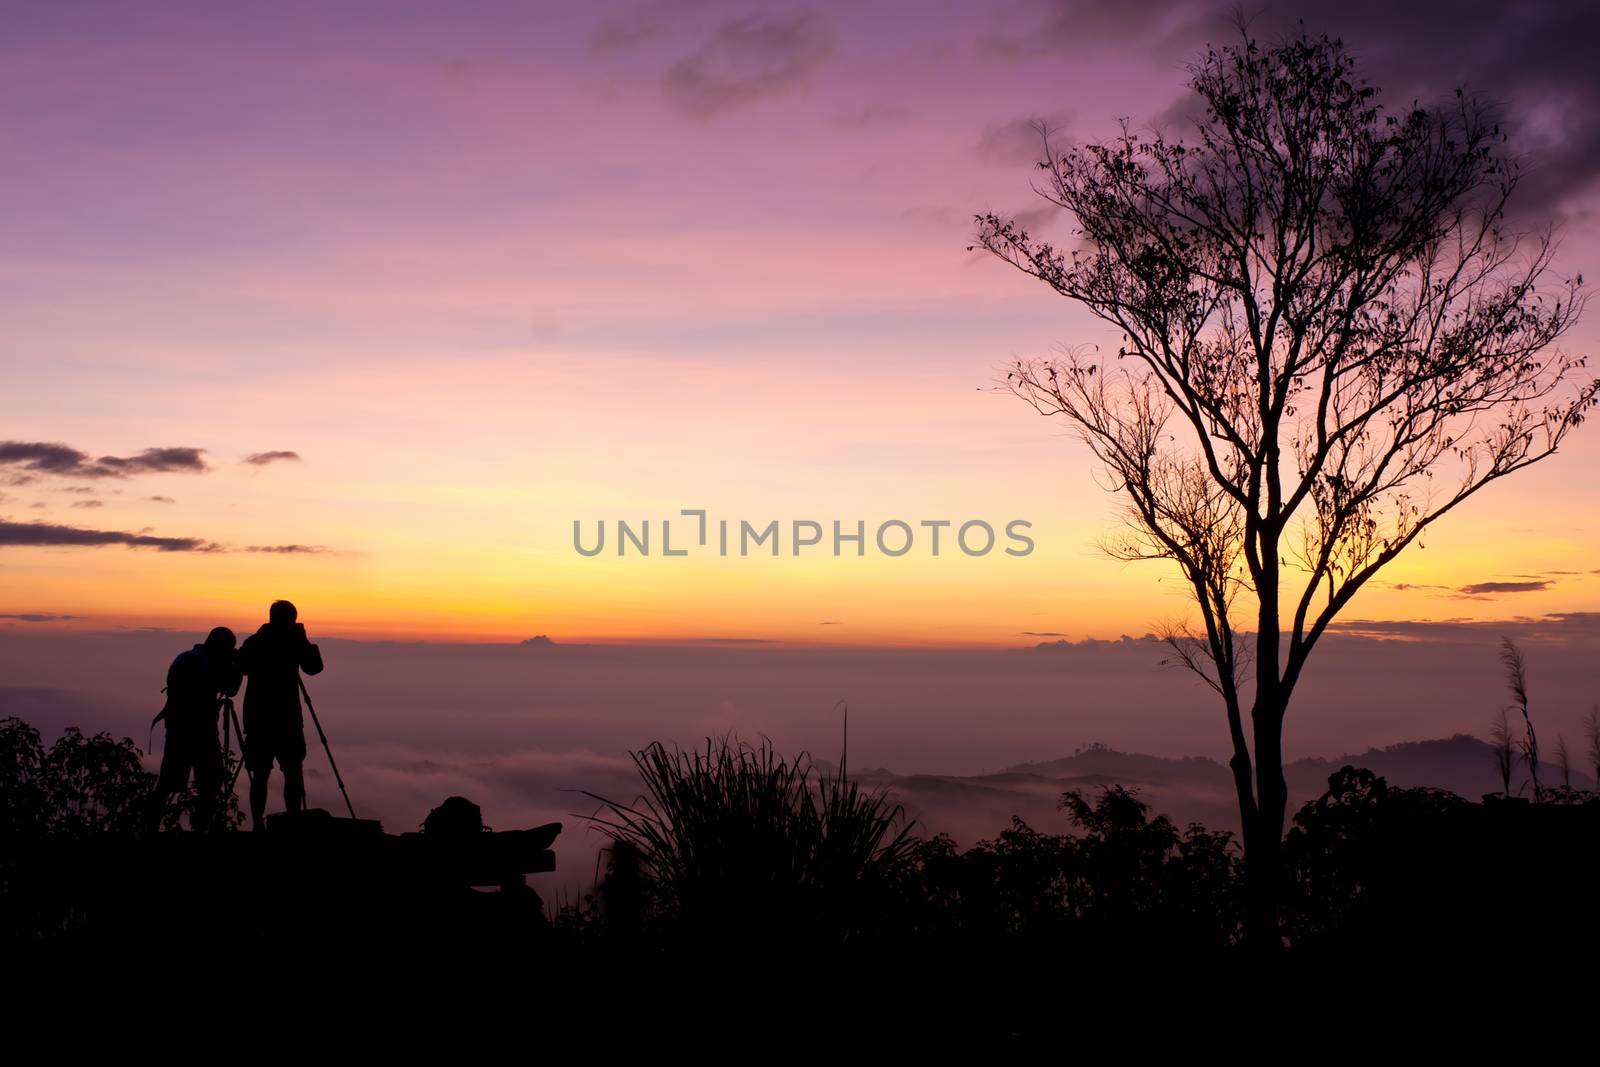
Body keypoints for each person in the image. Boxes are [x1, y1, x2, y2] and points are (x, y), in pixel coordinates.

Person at [239, 600, 323, 830]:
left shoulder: (255, 642)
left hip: (258, 718)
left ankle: (257, 825)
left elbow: (242, 667)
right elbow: (314, 667)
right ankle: (293, 821)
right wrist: (302, 639)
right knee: (293, 771)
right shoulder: (293, 641)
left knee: (260, 775)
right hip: (287, 718)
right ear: (292, 619)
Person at [152, 626, 242, 831]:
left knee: (166, 785)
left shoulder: (183, 658)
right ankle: (201, 827)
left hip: (176, 729)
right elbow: (231, 689)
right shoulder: (209, 664)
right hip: (201, 733)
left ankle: (149, 826)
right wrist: (235, 666)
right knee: (212, 782)